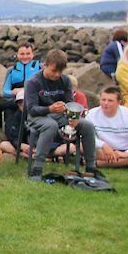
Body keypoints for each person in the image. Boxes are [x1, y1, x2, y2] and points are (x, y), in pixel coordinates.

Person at [24, 49, 98, 181]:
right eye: (54, 71)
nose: (57, 74)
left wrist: (73, 116)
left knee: (87, 125)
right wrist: (50, 109)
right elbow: (31, 109)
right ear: (45, 65)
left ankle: (91, 167)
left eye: (60, 71)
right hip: (38, 117)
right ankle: (37, 167)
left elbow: (70, 102)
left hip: (61, 116)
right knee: (50, 125)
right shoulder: (33, 82)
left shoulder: (65, 81)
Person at [85, 86, 128, 168]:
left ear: (119, 102)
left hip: (125, 150)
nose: (106, 103)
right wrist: (103, 145)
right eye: (103, 100)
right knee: (83, 146)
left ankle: (99, 163)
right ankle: (127, 163)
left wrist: (127, 153)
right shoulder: (91, 114)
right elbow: (88, 136)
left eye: (110, 100)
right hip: (103, 150)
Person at [0, 43, 42, 127]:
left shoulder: (40, 69)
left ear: (33, 54)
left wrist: (27, 91)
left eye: (28, 53)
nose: (25, 57)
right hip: (15, 102)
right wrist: (13, 92)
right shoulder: (11, 70)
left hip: (33, 102)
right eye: (22, 54)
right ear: (17, 55)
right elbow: (5, 92)